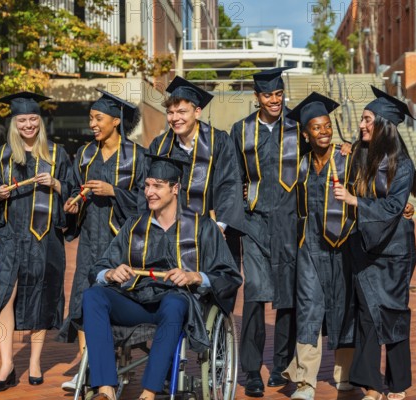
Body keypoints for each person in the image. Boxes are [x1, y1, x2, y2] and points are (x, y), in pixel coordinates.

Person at [82, 154, 243, 400]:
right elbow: (99, 267)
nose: (149, 192)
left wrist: (195, 277)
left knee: (175, 302)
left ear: (175, 188)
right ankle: (105, 389)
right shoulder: (135, 227)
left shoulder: (202, 228)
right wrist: (111, 273)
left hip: (176, 304)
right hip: (136, 301)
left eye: (157, 186)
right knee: (93, 296)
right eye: (147, 185)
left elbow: (230, 276)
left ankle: (148, 393)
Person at [333, 86, 416, 400]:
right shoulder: (360, 155)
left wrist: (355, 200)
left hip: (394, 252)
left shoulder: (403, 166)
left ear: (383, 124)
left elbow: (392, 208)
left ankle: (398, 385)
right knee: (367, 313)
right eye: (362, 119)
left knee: (394, 313)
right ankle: (370, 385)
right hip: (364, 248)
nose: (361, 124)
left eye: (368, 119)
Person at [0, 92, 72, 392]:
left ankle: (35, 361)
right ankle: (7, 363)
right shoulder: (2, 156)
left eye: (33, 119)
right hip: (9, 239)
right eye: (22, 120)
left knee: (42, 296)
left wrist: (56, 184)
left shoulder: (57, 155)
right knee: (4, 295)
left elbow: (73, 194)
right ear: (14, 123)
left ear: (40, 122)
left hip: (45, 240)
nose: (28, 124)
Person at [58, 89, 145, 390]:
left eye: (98, 118)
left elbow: (148, 201)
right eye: (91, 119)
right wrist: (71, 204)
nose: (92, 124)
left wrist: (115, 192)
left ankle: (117, 362)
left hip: (122, 242)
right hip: (90, 239)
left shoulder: (136, 157)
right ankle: (88, 368)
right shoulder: (84, 155)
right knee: (83, 299)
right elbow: (73, 188)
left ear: (116, 121)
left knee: (115, 301)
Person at [229, 67, 304, 397]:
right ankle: (251, 370)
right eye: (267, 95)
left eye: (278, 94)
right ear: (257, 97)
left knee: (287, 295)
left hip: (291, 222)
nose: (274, 100)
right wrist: (233, 214)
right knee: (256, 295)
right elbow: (232, 176)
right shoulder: (241, 130)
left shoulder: (299, 125)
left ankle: (282, 364)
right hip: (256, 222)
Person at [281, 92, 356, 400]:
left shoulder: (349, 157)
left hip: (344, 246)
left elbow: (374, 183)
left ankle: (345, 374)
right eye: (316, 127)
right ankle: (305, 382)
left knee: (345, 306)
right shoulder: (300, 165)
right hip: (309, 247)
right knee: (309, 310)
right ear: (305, 133)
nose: (324, 131)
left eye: (327, 125)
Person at [147, 76, 243, 236]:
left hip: (208, 230)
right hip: (167, 231)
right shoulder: (159, 146)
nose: (175, 118)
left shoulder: (218, 141)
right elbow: (147, 187)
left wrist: (219, 226)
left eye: (182, 112)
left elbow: (229, 184)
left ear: (197, 112)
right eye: (170, 113)